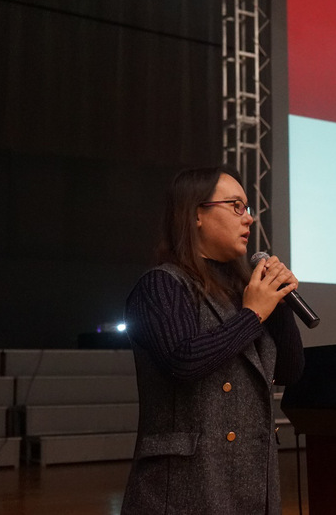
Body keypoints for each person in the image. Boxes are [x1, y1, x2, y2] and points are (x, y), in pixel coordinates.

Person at [120, 165, 305, 515]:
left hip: (252, 481)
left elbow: (289, 372)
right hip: (186, 486)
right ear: (196, 215)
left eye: (248, 208)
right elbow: (183, 360)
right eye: (236, 206)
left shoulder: (245, 291)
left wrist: (278, 306)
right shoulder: (162, 284)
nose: (248, 218)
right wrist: (253, 314)